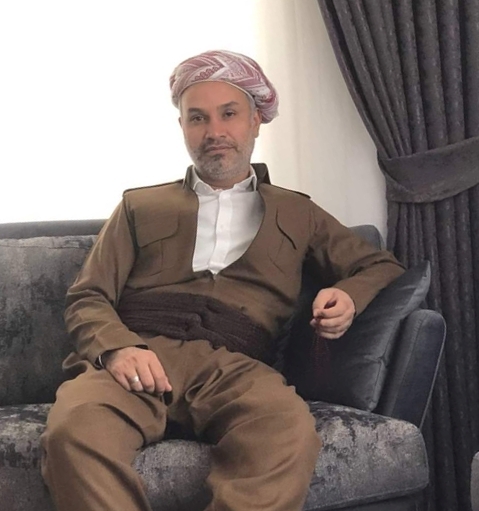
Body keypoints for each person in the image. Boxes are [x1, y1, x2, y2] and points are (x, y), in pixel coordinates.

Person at [40, 49, 405, 511]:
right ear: (182, 127)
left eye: (228, 114)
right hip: (139, 356)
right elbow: (88, 295)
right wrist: (117, 348)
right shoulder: (139, 206)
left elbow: (380, 266)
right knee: (75, 430)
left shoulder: (300, 211)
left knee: (286, 433)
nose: (214, 131)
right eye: (198, 118)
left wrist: (348, 295)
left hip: (238, 368)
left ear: (255, 120)